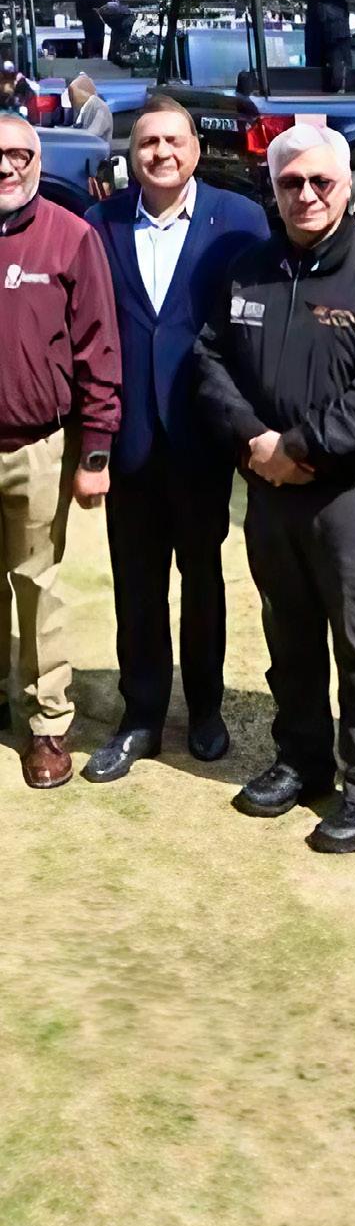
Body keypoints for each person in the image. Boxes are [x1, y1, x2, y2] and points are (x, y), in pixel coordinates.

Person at [193, 123, 355, 853]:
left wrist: (295, 447)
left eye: (321, 181)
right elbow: (209, 361)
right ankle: (302, 758)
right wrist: (255, 441)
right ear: (274, 189)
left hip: (353, 495)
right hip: (270, 492)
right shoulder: (249, 269)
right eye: (291, 183)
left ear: (347, 187)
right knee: (287, 635)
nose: (307, 195)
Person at [80, 97, 267, 786]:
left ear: (196, 149)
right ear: (132, 153)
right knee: (137, 583)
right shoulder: (99, 223)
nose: (160, 152)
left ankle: (207, 709)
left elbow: (254, 330)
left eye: (173, 140)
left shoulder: (240, 220)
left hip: (202, 435)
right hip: (129, 435)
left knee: (203, 577)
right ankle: (142, 715)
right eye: (147, 142)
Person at [0, 112, 119, 788]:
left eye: (20, 153)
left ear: (38, 162)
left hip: (39, 446)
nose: (6, 166)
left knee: (36, 585)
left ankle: (48, 720)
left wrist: (95, 451)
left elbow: (99, 350)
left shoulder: (71, 237)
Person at [63, 74, 113, 144]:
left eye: (73, 95)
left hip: (96, 148)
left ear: (84, 92)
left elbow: (93, 134)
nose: (72, 100)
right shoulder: (86, 107)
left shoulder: (99, 107)